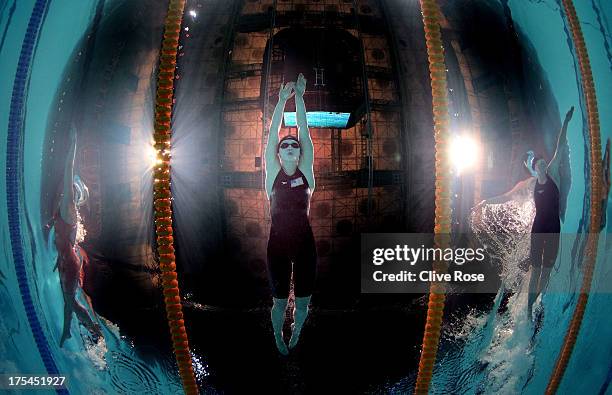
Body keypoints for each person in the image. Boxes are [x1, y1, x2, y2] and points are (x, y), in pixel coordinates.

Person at [476, 106, 574, 319]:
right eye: (535, 163)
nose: (539, 165)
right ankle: (529, 310)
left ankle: (533, 302)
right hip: (539, 228)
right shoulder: (528, 185)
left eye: (540, 161)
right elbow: (506, 197)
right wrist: (485, 202)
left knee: (546, 273)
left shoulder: (553, 171)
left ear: (543, 164)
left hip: (553, 228)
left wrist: (566, 122)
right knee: (537, 271)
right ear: (533, 168)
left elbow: (560, 145)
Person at [264, 73, 316, 355]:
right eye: (285, 145)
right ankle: (277, 333)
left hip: (306, 246)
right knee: (280, 303)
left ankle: (297, 329)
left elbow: (304, 132)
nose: (290, 145)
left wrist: (299, 99)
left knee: (305, 303)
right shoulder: (272, 175)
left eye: (293, 145)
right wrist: (282, 101)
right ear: (279, 154)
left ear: (299, 153)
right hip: (278, 247)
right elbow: (272, 135)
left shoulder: (307, 173)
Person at [48, 127, 102, 347]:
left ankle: (95, 332)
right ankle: (66, 331)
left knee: (71, 300)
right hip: (67, 258)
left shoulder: (69, 207)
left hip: (70, 261)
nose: (68, 189)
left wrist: (73, 144)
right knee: (67, 298)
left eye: (72, 189)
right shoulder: (66, 209)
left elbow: (68, 170)